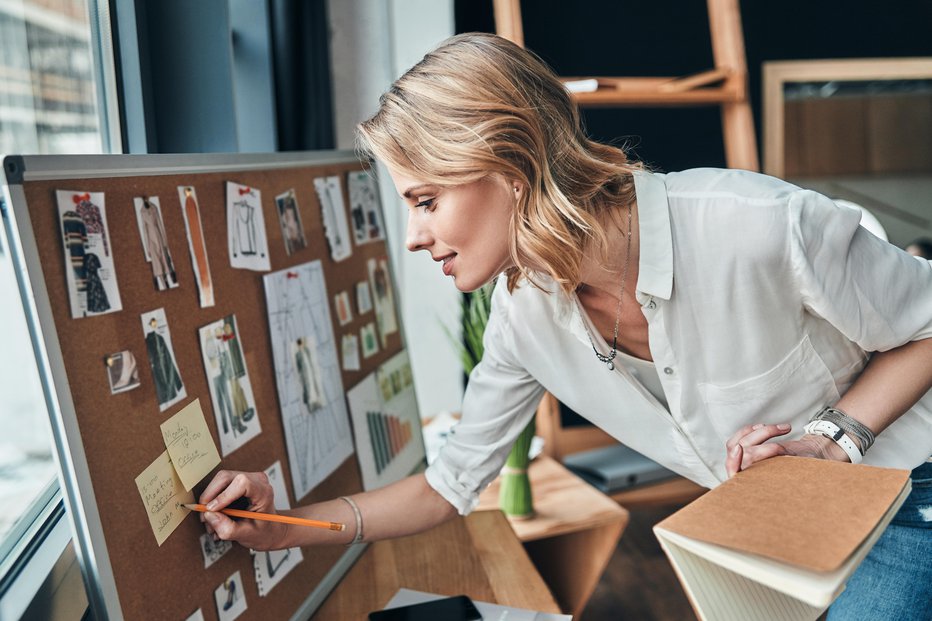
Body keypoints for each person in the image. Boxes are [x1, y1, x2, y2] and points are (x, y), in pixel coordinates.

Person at [199, 33, 932, 618]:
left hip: (910, 493)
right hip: (782, 536)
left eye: (425, 200)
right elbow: (447, 487)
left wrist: (832, 438)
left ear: (506, 166)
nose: (415, 237)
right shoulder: (524, 319)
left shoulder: (760, 226)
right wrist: (291, 524)